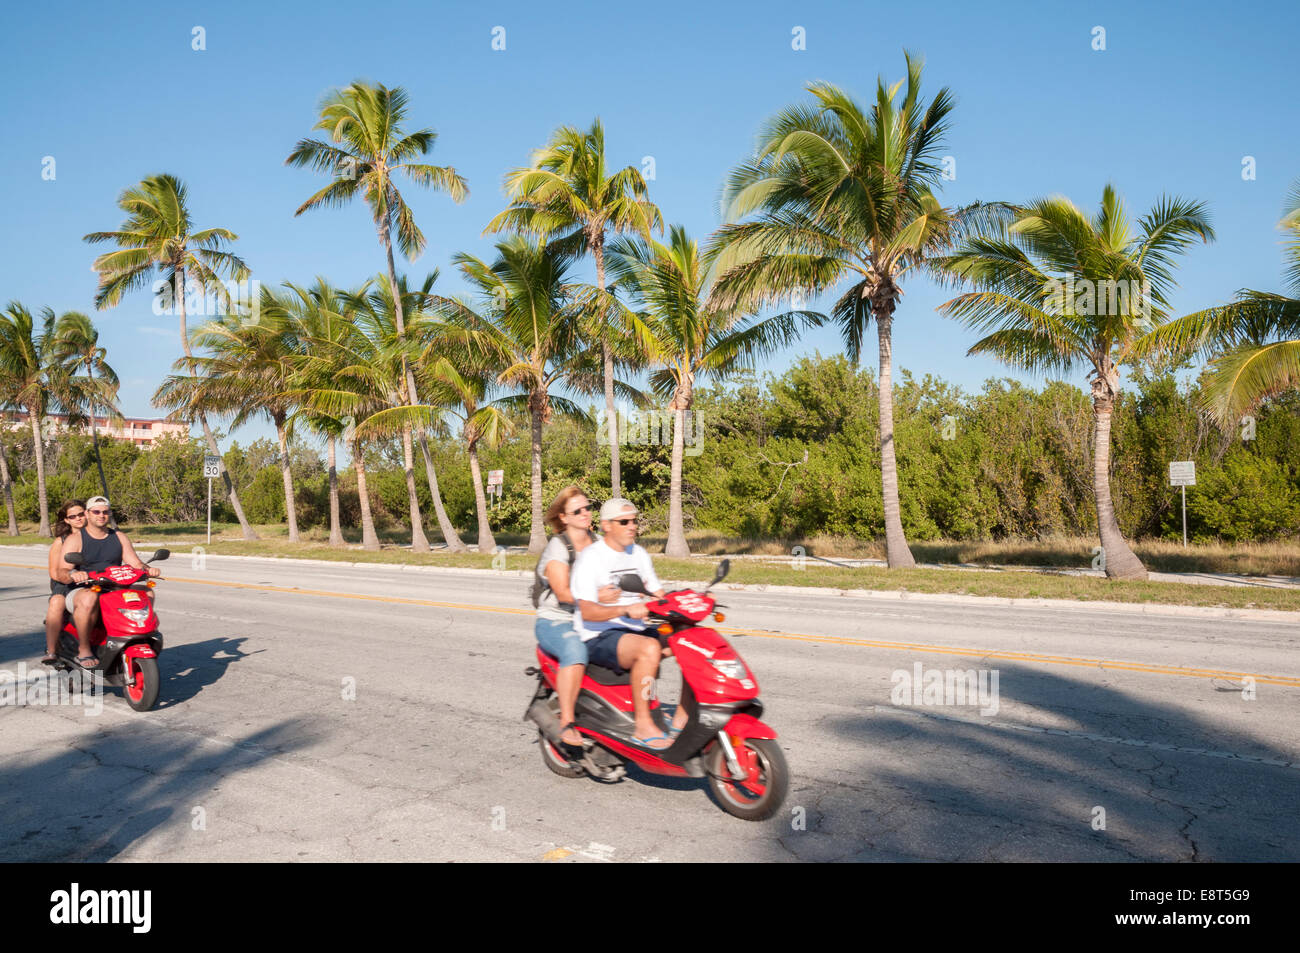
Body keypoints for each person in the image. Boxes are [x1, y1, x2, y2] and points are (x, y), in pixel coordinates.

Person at [570, 498, 688, 750]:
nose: (632, 526)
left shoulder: (639, 553)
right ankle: (643, 726)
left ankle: (682, 716)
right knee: (649, 648)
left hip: (634, 629)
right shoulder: (591, 558)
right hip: (598, 634)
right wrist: (625, 608)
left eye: (634, 521)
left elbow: (658, 593)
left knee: (688, 639)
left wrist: (691, 600)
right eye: (624, 522)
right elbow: (588, 611)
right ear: (606, 525)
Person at [533, 486, 619, 754]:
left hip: (592, 617)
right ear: (563, 517)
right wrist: (598, 595)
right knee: (576, 649)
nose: (585, 513)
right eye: (577, 511)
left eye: (588, 507)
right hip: (556, 620)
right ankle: (567, 721)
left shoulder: (598, 542)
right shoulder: (558, 547)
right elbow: (563, 593)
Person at [61, 496, 159, 669]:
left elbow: (135, 563)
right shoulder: (76, 539)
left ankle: (139, 633)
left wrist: (147, 569)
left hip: (115, 586)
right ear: (87, 514)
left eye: (105, 512)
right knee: (89, 599)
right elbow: (63, 569)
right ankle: (84, 649)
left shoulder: (119, 536)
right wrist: (75, 574)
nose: (101, 515)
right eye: (96, 511)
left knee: (146, 592)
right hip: (85, 588)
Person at [42, 500, 87, 664]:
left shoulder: (98, 535)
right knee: (57, 602)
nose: (78, 519)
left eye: (81, 514)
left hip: (95, 581)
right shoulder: (60, 541)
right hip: (67, 583)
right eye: (73, 516)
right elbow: (54, 572)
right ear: (67, 520)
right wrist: (72, 575)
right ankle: (52, 650)